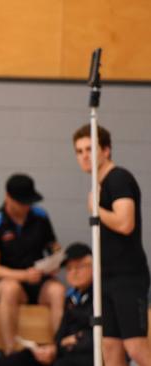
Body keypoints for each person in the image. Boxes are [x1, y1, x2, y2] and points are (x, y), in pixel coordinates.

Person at [72, 124, 151, 366]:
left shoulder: (119, 178)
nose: (84, 156)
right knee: (109, 346)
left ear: (106, 150)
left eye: (90, 149)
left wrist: (97, 210)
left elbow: (125, 222)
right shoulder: (100, 185)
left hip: (127, 277)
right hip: (105, 278)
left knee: (136, 347)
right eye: (79, 151)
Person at [0, 242, 95, 366]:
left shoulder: (100, 296)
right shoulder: (71, 298)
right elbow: (61, 334)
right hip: (65, 350)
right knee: (26, 356)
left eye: (80, 267)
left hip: (85, 354)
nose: (74, 273)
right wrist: (53, 348)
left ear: (94, 266)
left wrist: (77, 340)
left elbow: (105, 334)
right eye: (69, 268)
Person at [0, 174, 65, 354]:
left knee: (57, 291)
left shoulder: (40, 216)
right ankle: (11, 350)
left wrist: (57, 259)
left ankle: (59, 350)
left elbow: (53, 245)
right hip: (9, 281)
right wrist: (24, 275)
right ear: (8, 198)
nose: (26, 207)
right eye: (22, 202)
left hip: (38, 280)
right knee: (10, 289)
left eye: (29, 202)